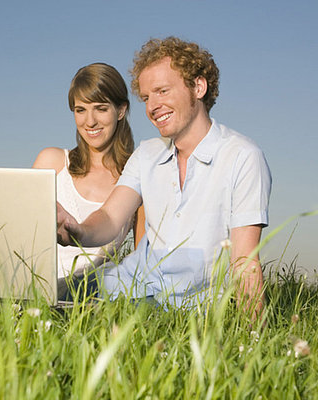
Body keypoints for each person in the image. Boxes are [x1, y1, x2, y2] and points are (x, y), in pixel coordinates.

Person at [57, 37, 272, 317]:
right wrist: (78, 231)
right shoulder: (147, 154)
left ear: (198, 87)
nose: (152, 106)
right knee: (25, 299)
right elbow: (110, 218)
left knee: (98, 323)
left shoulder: (242, 156)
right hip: (125, 285)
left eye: (162, 91)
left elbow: (244, 261)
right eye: (147, 98)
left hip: (184, 306)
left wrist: (252, 342)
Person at [33, 63, 139, 298]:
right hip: (34, 283)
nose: (89, 121)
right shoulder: (52, 161)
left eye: (100, 108)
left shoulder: (136, 175)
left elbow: (142, 259)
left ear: (120, 111)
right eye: (80, 110)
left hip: (88, 291)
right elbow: (20, 236)